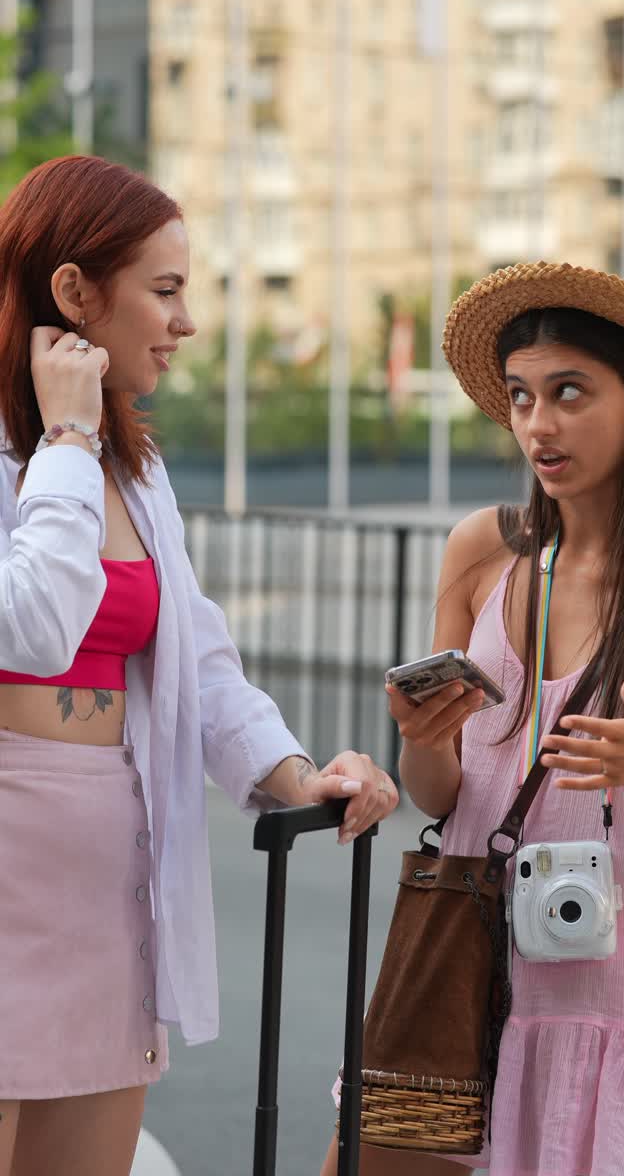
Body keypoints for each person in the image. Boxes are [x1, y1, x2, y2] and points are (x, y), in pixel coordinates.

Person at [0, 154, 399, 1176]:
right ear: (76, 293)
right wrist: (65, 436)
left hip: (107, 879)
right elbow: (32, 622)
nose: (186, 322)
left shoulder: (138, 466)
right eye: (165, 290)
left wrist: (294, 772)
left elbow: (198, 657)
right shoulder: (57, 451)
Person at [321, 261, 624, 1176]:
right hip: (456, 993)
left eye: (571, 392)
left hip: (612, 1021)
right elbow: (447, 795)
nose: (540, 424)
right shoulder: (481, 553)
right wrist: (421, 741)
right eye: (522, 396)